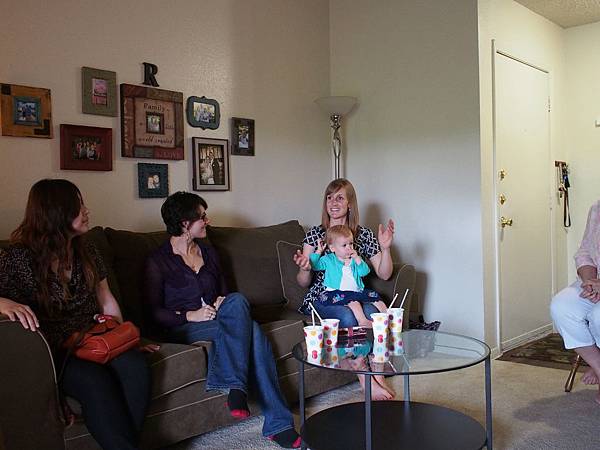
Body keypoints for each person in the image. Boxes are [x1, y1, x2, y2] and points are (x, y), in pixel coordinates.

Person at [0, 179, 152, 450]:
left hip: (93, 337)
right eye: (78, 205)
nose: (86, 211)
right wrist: (3, 303)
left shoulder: (87, 249)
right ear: (56, 212)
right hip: (57, 349)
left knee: (135, 366)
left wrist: (123, 338)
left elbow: (106, 299)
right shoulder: (17, 257)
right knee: (96, 382)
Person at [144, 192, 301, 449]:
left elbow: (226, 294)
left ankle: (235, 385)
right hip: (183, 327)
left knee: (237, 300)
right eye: (202, 217)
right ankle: (278, 424)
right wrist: (190, 315)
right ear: (185, 223)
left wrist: (220, 300)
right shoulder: (158, 261)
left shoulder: (209, 253)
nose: (207, 221)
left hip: (218, 320)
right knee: (253, 331)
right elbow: (154, 312)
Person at [293, 178, 396, 400]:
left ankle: (378, 375)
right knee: (349, 316)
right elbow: (303, 281)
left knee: (377, 314)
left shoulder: (363, 234)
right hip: (324, 298)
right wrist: (305, 267)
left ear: (350, 204)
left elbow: (385, 274)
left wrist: (386, 249)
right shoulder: (316, 234)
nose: (333, 202)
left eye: (340, 197)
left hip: (355, 295)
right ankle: (365, 380)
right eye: (329, 197)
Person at [551, 200, 600, 403]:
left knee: (598, 315)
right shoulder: (597, 208)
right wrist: (589, 281)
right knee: (561, 306)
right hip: (595, 281)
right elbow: (585, 252)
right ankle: (598, 365)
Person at [309, 225, 387, 327]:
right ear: (332, 248)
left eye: (351, 244)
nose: (349, 248)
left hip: (356, 291)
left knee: (374, 296)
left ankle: (388, 316)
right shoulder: (328, 259)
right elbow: (314, 265)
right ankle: (362, 321)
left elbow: (364, 272)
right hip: (335, 293)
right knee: (353, 301)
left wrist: (358, 259)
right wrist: (319, 251)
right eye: (344, 245)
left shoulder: (354, 259)